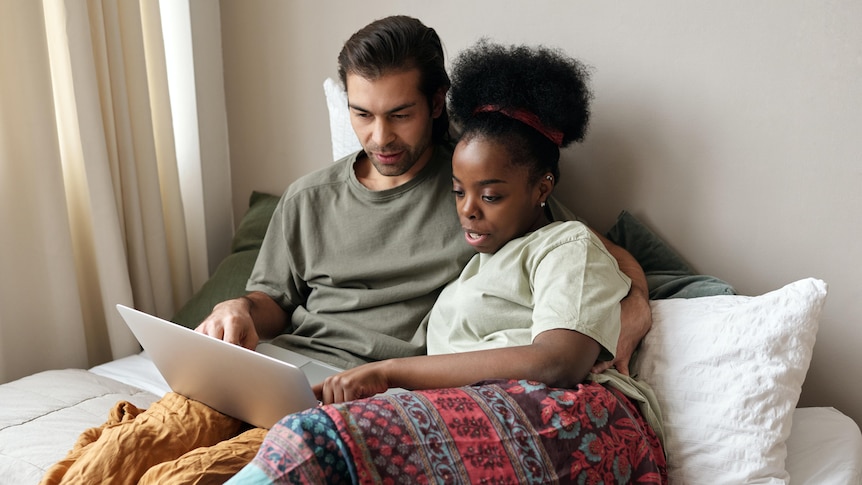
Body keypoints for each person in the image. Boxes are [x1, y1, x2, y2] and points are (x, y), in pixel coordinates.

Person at [41, 16, 652, 484]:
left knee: (195, 474)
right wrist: (239, 312)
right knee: (122, 454)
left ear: (437, 104)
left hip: (352, 400)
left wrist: (633, 313)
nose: (380, 137)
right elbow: (271, 301)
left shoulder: (479, 186)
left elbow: (595, 256)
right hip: (270, 368)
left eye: (400, 115)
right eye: (362, 114)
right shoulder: (311, 197)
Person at [226, 40, 666, 484]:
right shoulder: (475, 265)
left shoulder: (553, 236)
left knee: (311, 440)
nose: (469, 209)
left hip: (570, 416)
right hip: (449, 405)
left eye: (489, 196)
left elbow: (560, 353)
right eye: (459, 192)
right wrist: (241, 308)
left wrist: (637, 302)